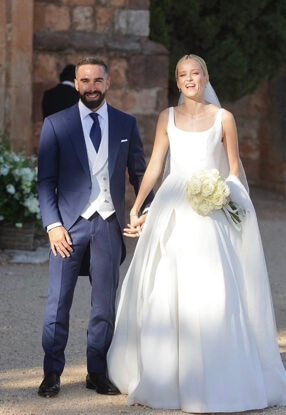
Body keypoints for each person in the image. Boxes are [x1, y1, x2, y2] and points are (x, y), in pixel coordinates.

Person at [107, 54, 286, 412]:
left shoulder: (225, 119)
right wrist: (138, 206)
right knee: (166, 287)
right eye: (183, 75)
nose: (189, 79)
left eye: (195, 73)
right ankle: (166, 378)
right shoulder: (166, 117)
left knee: (215, 290)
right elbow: (156, 164)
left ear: (206, 77)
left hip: (210, 211)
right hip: (172, 207)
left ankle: (221, 376)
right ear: (177, 82)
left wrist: (225, 195)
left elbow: (234, 169)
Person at [37, 57, 153, 397]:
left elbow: (139, 174)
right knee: (58, 303)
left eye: (97, 80)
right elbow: (46, 181)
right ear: (76, 83)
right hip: (68, 227)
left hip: (108, 224)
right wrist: (53, 225)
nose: (91, 87)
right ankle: (52, 373)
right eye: (85, 81)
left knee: (105, 304)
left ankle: (97, 372)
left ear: (108, 83)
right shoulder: (56, 124)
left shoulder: (125, 124)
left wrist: (145, 209)